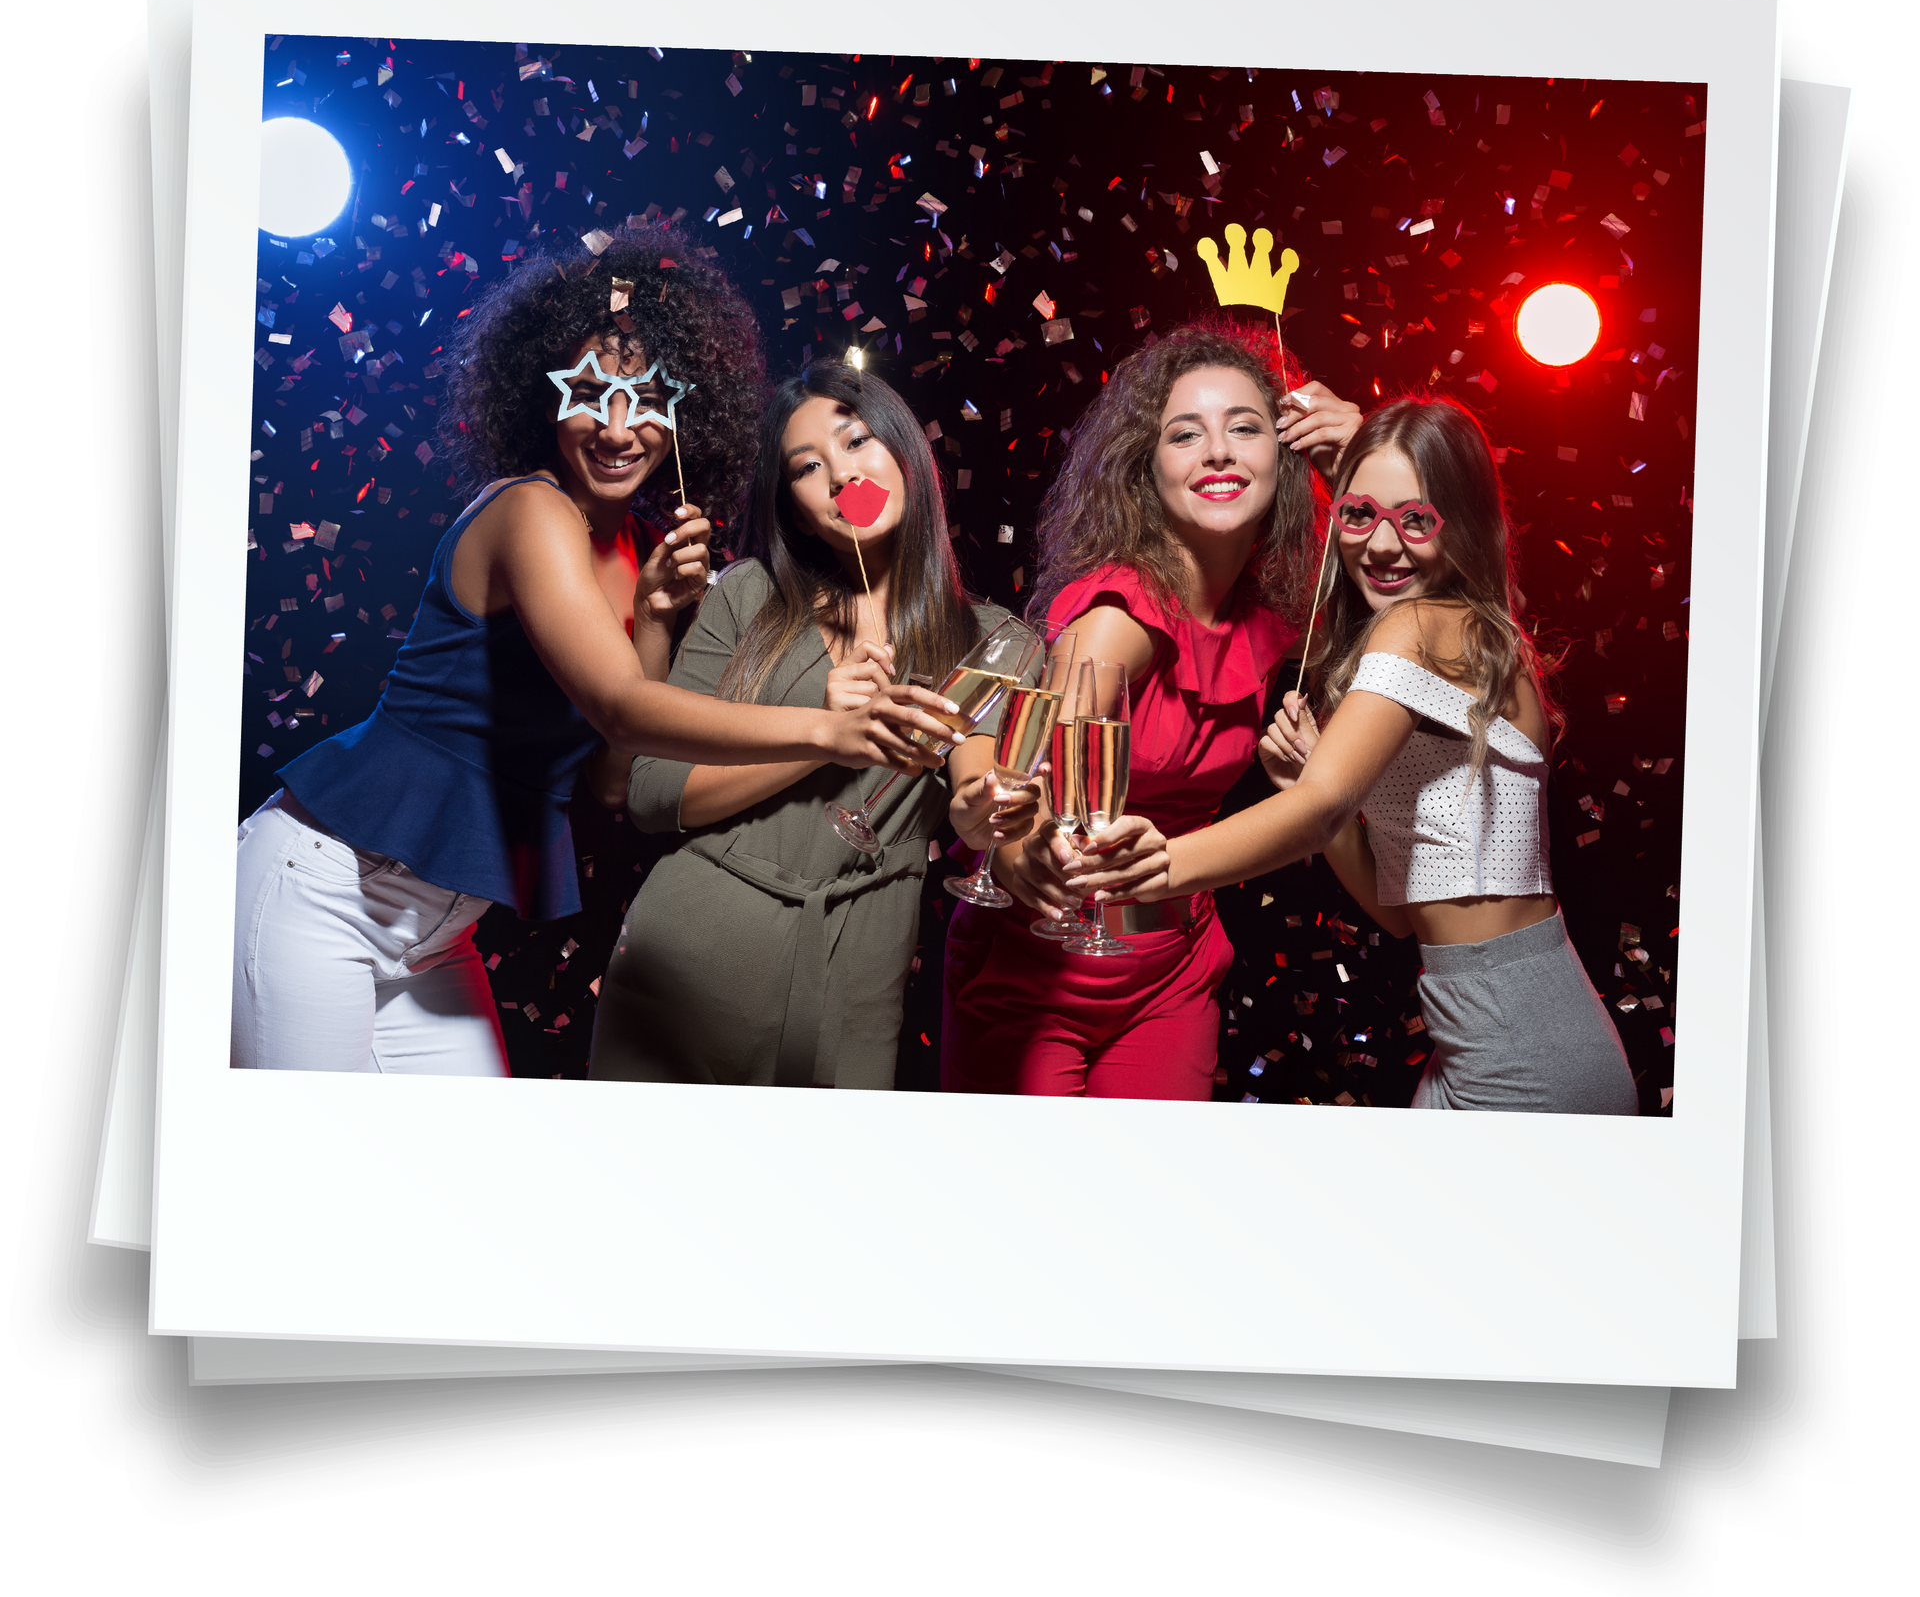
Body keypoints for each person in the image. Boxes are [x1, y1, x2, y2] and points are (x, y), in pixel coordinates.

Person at [233, 229, 958, 1076]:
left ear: (680, 413)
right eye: (589, 393)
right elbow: (618, 704)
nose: (619, 427)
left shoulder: (643, 547)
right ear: (542, 400)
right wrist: (827, 730)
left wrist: (654, 615)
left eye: (646, 398)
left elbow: (614, 779)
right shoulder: (529, 511)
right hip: (323, 888)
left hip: (438, 932)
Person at [1066, 394, 1639, 1115]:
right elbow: (1399, 913)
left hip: (1522, 1048)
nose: (1383, 545)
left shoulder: (1427, 628)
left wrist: (1155, 868)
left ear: (1464, 525)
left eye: (1418, 520)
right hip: (1491, 1029)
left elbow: (1318, 808)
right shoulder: (1488, 641)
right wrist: (1318, 793)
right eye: (1360, 515)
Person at [587, 361, 1038, 1089]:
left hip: (853, 977)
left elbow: (974, 784)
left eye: (857, 441)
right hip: (685, 959)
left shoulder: (997, 640)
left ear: (903, 451)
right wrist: (824, 725)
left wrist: (988, 811)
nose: (840, 474)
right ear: (793, 504)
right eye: (807, 466)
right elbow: (649, 794)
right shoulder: (749, 595)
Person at [940, 323, 1361, 1099]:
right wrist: (1020, 841)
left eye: (1245, 426)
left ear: (1286, 451)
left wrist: (1365, 456)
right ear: (1149, 470)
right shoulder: (1119, 616)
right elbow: (1027, 777)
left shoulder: (1275, 609)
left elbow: (1432, 595)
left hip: (1174, 969)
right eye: (1184, 434)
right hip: (1043, 969)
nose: (1219, 452)